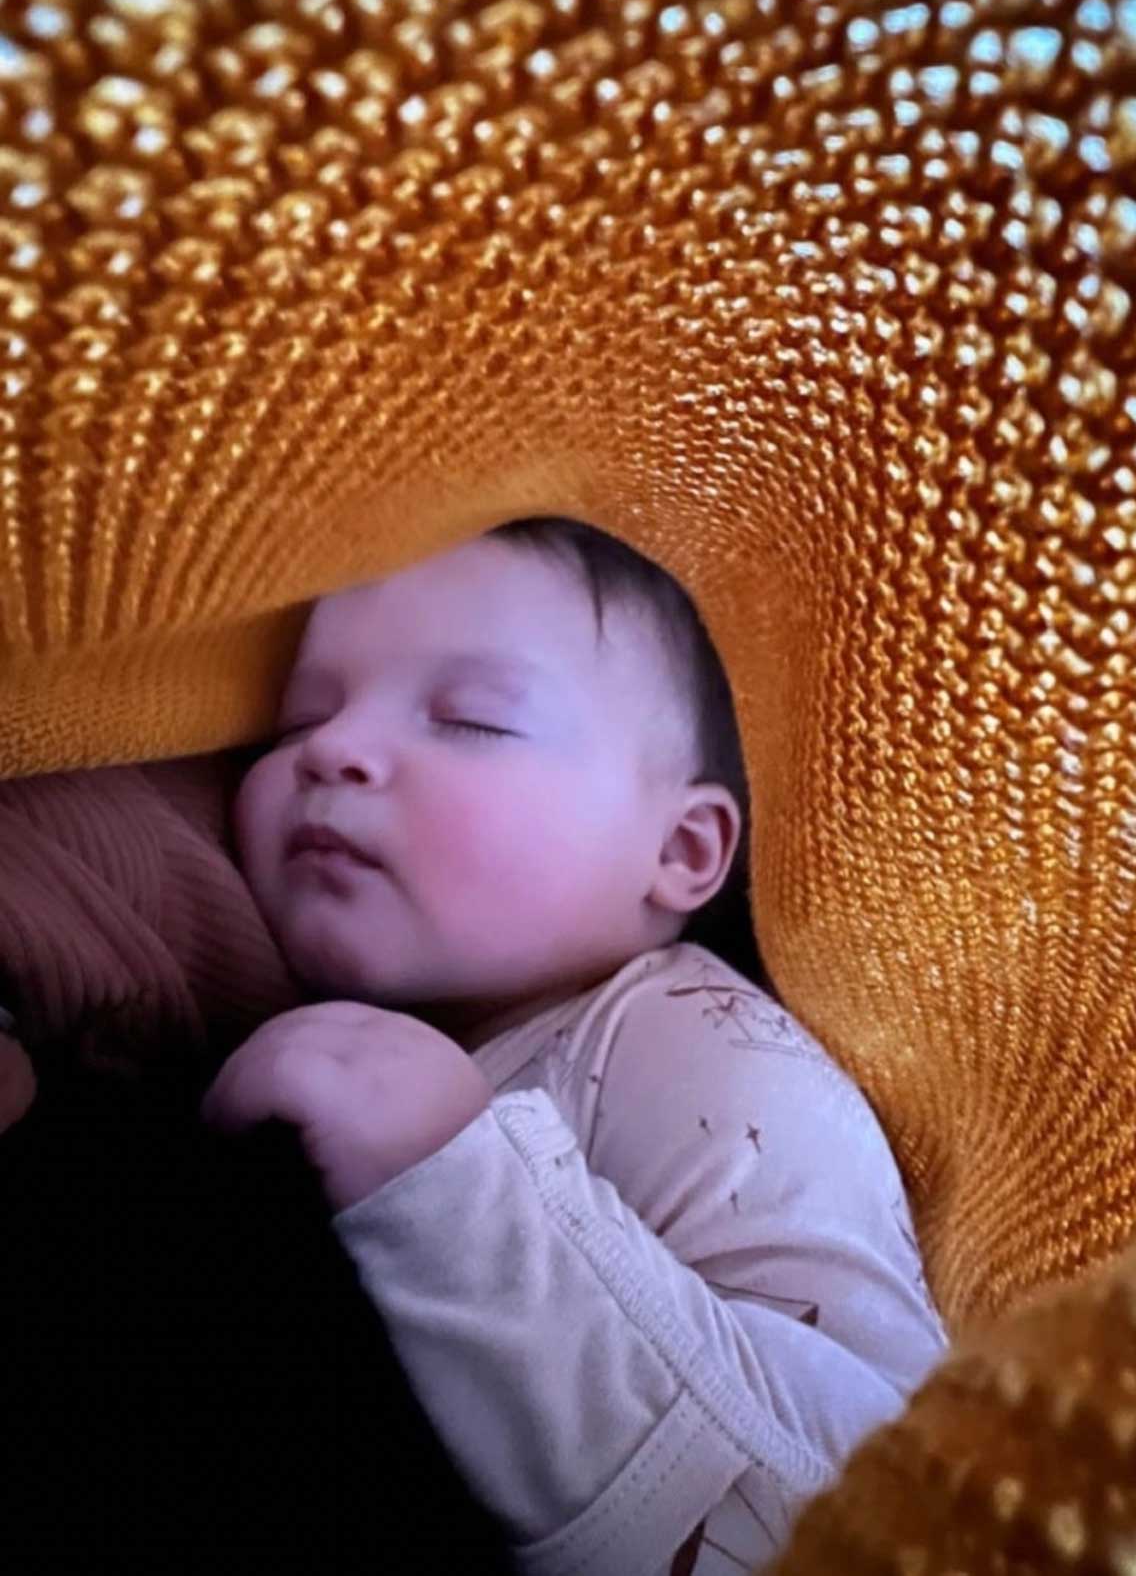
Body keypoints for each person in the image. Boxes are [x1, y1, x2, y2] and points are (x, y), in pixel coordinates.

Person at [203, 517, 947, 1576]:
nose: (331, 749)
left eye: (472, 719)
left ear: (679, 848)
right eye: (296, 721)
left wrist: (451, 1188)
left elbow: (877, 1506)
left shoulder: (701, 1047)